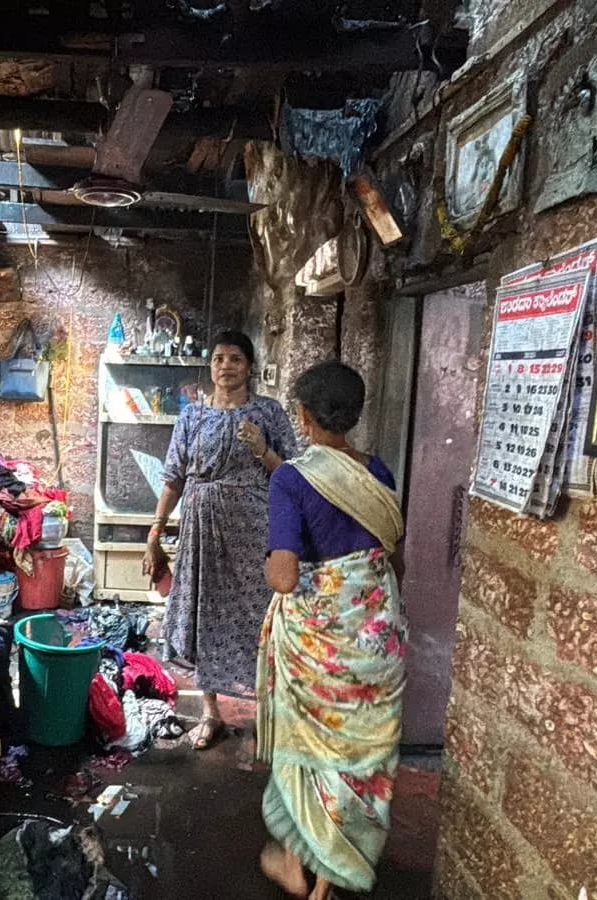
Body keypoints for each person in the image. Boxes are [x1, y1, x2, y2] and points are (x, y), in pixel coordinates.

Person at [256, 360, 406, 900]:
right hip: (375, 639)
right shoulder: (379, 473)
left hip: (317, 645)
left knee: (309, 748)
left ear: (303, 416)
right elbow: (392, 558)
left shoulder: (291, 479)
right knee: (355, 758)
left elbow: (284, 576)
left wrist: (268, 562)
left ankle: (297, 863)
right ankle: (326, 879)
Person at [144, 331, 296, 750]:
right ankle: (210, 713)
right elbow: (173, 479)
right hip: (201, 530)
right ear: (210, 367)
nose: (225, 366)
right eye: (218, 359)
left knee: (259, 617)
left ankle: (267, 712)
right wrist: (155, 534)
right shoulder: (192, 416)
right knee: (203, 612)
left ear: (249, 367)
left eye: (235, 359)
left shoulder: (268, 413)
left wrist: (263, 450)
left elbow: (293, 476)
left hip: (253, 531)